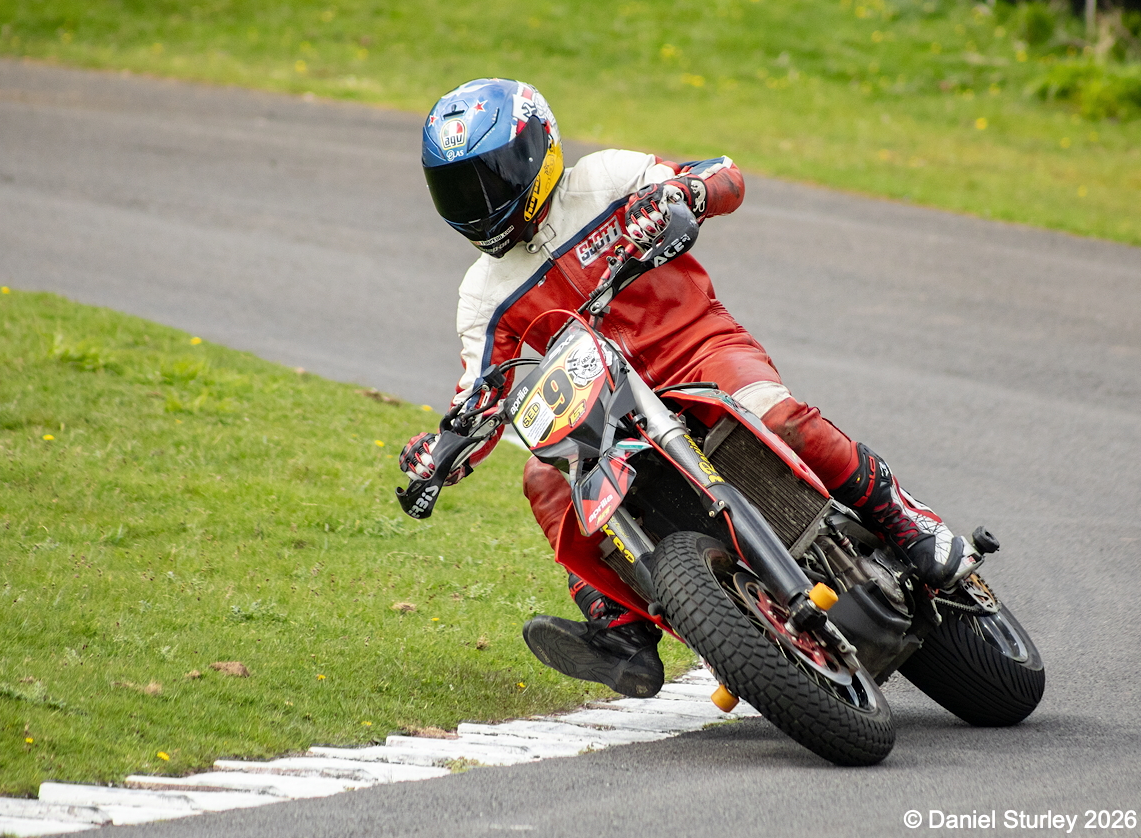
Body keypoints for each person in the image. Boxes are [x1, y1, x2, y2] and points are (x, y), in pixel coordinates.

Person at [400, 77, 978, 699]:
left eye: (491, 177)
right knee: (545, 478)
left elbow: (724, 175)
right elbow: (478, 395)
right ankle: (619, 628)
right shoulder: (481, 293)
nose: (479, 202)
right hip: (609, 408)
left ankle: (905, 518)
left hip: (699, 349)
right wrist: (441, 455)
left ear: (538, 150)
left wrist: (684, 194)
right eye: (458, 188)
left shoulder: (604, 178)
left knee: (777, 418)